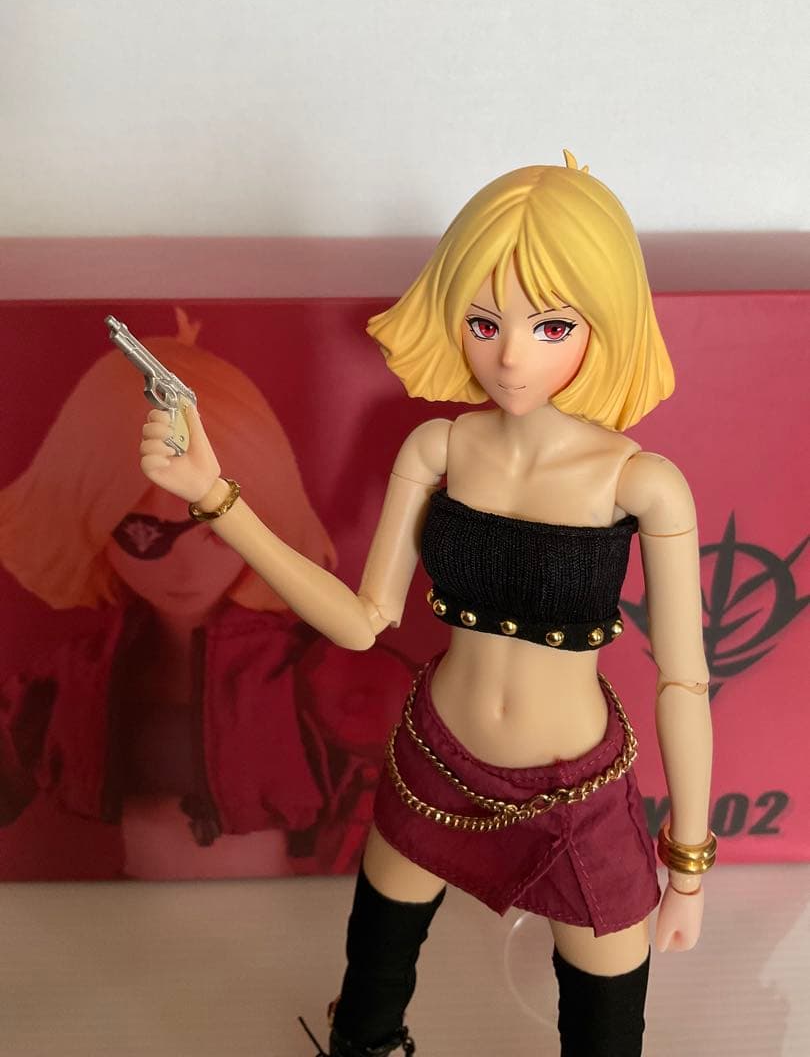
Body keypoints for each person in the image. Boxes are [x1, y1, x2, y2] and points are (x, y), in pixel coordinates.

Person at [137, 156, 714, 1055]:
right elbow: (360, 620)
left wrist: (688, 866)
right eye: (485, 322)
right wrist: (216, 497)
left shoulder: (642, 484)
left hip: (577, 795)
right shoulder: (438, 447)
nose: (510, 355)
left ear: (604, 323)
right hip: (436, 766)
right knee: (371, 990)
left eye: (551, 325)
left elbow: (685, 682)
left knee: (606, 1023)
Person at [0, 310, 411, 879]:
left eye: (215, 532)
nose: (187, 566)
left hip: (275, 909)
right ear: (90, 522)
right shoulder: (67, 679)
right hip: (125, 907)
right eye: (145, 534)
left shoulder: (312, 671)